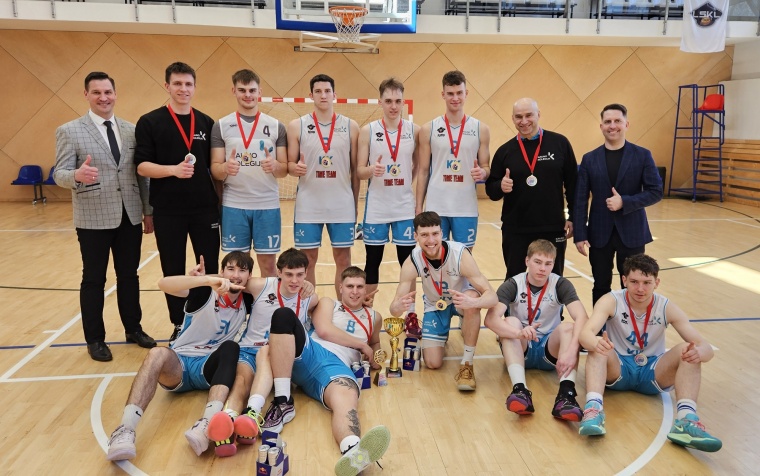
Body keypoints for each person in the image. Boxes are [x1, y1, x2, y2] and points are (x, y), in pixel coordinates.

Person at [106, 252, 253, 461]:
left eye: (242, 270)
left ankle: (207, 425)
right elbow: (163, 283)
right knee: (157, 352)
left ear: (249, 276)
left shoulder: (248, 300)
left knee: (231, 347)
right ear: (221, 272)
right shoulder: (204, 292)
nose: (236, 275)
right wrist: (203, 279)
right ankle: (125, 430)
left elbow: (275, 285)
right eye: (230, 269)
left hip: (208, 368)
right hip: (179, 365)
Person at [54, 71, 156, 362]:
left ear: (115, 94)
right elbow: (59, 173)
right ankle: (95, 339)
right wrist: (76, 175)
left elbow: (141, 177)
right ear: (86, 95)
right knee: (93, 279)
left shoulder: (131, 130)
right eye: (97, 92)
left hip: (129, 215)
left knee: (129, 276)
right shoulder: (69, 131)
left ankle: (133, 329)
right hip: (93, 218)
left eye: (108, 92)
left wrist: (148, 211)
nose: (103, 97)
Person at [578, 254, 722, 452]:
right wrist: (594, 342)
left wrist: (700, 353)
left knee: (687, 350)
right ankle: (593, 410)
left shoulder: (666, 306)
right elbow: (585, 334)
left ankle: (686, 422)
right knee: (599, 347)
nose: (640, 288)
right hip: (619, 367)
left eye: (647, 283)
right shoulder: (611, 300)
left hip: (653, 371)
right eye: (634, 282)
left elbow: (705, 348)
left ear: (657, 282)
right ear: (624, 280)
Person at [264, 267, 391, 475]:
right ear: (340, 287)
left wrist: (375, 356)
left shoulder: (375, 317)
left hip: (337, 368)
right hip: (311, 352)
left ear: (365, 289)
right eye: (350, 286)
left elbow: (375, 342)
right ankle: (282, 399)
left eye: (360, 287)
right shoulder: (328, 303)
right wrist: (361, 345)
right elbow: (323, 330)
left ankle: (352, 450)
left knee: (347, 398)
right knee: (283, 315)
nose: (355, 291)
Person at [135, 62, 220, 341]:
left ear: (194, 87)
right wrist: (173, 170)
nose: (183, 89)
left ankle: (207, 320)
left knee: (208, 267)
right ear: (167, 86)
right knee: (172, 267)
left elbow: (214, 168)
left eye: (188, 84)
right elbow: (142, 166)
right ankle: (179, 323)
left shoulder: (206, 123)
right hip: (168, 210)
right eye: (177, 84)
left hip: (204, 209)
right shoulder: (150, 122)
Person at [205, 248, 318, 457]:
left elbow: (323, 316)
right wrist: (202, 278)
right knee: (241, 380)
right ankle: (230, 419)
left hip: (279, 356)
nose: (294, 280)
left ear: (306, 273)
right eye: (289, 274)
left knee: (267, 351)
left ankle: (252, 413)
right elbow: (231, 279)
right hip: (249, 349)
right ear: (279, 272)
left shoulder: (309, 297)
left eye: (300, 275)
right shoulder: (261, 285)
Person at [389, 211, 497, 390]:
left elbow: (492, 297)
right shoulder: (412, 261)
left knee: (472, 298)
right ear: (416, 236)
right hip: (435, 305)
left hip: (462, 302)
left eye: (435, 234)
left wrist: (473, 304)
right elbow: (393, 310)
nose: (431, 240)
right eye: (424, 235)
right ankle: (442, 334)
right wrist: (398, 306)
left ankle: (467, 363)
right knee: (432, 363)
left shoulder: (460, 254)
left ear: (442, 233)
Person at [484, 239, 589, 420]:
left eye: (548, 264)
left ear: (553, 264)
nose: (542, 268)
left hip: (549, 350)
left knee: (569, 328)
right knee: (510, 321)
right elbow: (490, 319)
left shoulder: (560, 284)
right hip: (521, 347)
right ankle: (520, 390)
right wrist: (518, 333)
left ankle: (566, 395)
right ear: (527, 261)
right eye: (537, 262)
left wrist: (573, 349)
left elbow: (582, 317)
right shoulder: (513, 284)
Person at [574, 103, 663, 305]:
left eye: (617, 121)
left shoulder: (642, 155)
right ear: (601, 126)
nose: (612, 125)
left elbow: (656, 191)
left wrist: (625, 201)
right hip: (599, 234)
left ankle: (629, 323)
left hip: (632, 233)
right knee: (600, 284)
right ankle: (599, 324)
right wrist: (580, 233)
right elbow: (580, 199)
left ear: (626, 124)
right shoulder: (589, 159)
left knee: (633, 285)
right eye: (607, 122)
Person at [485, 97, 577, 280]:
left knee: (553, 279)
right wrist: (500, 186)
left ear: (538, 115)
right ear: (513, 119)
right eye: (519, 117)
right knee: (514, 280)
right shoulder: (505, 151)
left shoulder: (560, 143)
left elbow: (573, 184)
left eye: (529, 115)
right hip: (516, 229)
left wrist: (573, 217)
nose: (524, 121)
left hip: (552, 227)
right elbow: (491, 191)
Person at [211, 69, 288, 278]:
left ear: (259, 92)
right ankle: (239, 301)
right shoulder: (221, 126)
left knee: (269, 266)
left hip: (267, 205)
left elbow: (284, 170)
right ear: (234, 91)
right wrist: (225, 168)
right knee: (237, 268)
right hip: (234, 205)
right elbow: (215, 169)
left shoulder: (276, 126)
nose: (247, 95)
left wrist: (275, 166)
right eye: (242, 90)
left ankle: (266, 301)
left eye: (252, 90)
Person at [356, 77, 420, 330]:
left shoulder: (414, 131)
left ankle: (411, 315)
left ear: (403, 102)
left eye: (398, 101)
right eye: (389, 101)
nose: (393, 106)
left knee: (409, 264)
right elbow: (359, 171)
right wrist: (372, 170)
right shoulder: (368, 131)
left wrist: (404, 184)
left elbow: (418, 167)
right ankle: (366, 315)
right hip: (377, 207)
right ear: (380, 101)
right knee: (373, 262)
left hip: (404, 207)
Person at [287, 74, 359, 295]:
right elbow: (289, 164)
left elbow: (355, 170)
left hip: (341, 204)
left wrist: (355, 204)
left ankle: (343, 307)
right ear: (311, 95)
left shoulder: (351, 126)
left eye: (327, 91)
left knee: (343, 259)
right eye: (318, 91)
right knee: (307, 260)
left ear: (335, 94)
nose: (323, 95)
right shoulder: (297, 126)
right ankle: (307, 307)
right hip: (309, 204)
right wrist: (295, 168)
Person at [416, 70, 491, 248]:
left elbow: (486, 167)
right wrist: (419, 206)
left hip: (466, 207)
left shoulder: (481, 129)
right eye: (450, 93)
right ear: (443, 94)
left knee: (464, 257)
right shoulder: (428, 129)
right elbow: (423, 171)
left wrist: (482, 173)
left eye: (459, 93)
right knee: (436, 256)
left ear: (466, 93)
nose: (455, 98)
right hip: (436, 206)